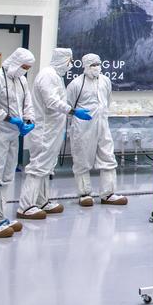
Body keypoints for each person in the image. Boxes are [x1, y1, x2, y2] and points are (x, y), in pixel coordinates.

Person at [18, 48, 86, 218]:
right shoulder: (48, 75)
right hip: (44, 131)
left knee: (46, 168)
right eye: (69, 61)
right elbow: (51, 101)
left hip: (52, 130)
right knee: (38, 167)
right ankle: (25, 206)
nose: (71, 65)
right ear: (63, 60)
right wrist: (72, 111)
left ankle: (42, 201)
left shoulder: (55, 76)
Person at [0, 47, 36, 237]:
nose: (24, 70)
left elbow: (27, 103)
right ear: (15, 62)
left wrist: (28, 120)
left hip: (12, 135)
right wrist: (8, 118)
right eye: (23, 66)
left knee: (5, 178)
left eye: (27, 67)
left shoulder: (21, 80)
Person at [65, 54, 126, 207]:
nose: (96, 67)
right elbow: (68, 106)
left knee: (108, 156)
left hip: (102, 124)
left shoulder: (105, 81)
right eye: (92, 65)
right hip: (83, 128)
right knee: (82, 159)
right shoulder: (75, 84)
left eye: (98, 64)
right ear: (85, 66)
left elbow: (107, 100)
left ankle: (108, 193)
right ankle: (84, 194)